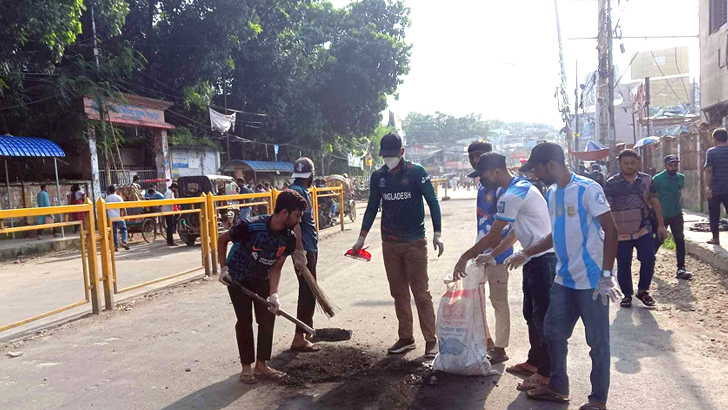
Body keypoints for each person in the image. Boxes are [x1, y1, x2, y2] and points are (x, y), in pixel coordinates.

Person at [510, 142, 620, 410]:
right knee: (552, 330)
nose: (535, 174)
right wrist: (526, 252)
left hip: (593, 280)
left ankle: (598, 400)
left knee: (597, 342)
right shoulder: (550, 193)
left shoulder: (587, 189)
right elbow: (554, 235)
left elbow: (611, 231)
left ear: (550, 164)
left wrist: (606, 275)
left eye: (537, 168)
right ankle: (558, 387)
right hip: (564, 278)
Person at [454, 152, 555, 392]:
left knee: (542, 318)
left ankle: (547, 373)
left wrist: (464, 257)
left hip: (544, 259)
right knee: (530, 314)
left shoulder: (511, 193)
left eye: (484, 175)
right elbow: (515, 231)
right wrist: (492, 253)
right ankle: (534, 362)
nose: (482, 180)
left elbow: (493, 234)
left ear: (496, 171)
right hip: (532, 257)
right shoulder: (518, 188)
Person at [351, 133, 444, 358]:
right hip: (389, 243)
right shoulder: (378, 176)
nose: (388, 159)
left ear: (402, 152)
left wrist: (437, 233)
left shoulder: (416, 172)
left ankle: (431, 340)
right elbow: (372, 207)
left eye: (392, 155)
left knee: (421, 293)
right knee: (398, 292)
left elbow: (432, 201)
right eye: (385, 156)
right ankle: (406, 337)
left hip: (414, 242)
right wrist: (361, 238)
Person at [217, 190, 305, 384]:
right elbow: (223, 240)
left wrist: (274, 294)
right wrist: (223, 268)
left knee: (267, 318)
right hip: (237, 277)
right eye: (297, 216)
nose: (299, 221)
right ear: (284, 213)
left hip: (261, 277)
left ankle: (262, 364)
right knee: (244, 320)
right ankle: (246, 367)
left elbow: (276, 268)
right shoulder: (251, 227)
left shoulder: (288, 239)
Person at [465, 141, 517, 364]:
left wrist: (491, 251)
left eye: (480, 155)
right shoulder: (481, 185)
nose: (475, 159)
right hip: (481, 250)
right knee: (476, 298)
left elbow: (502, 228)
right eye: (472, 156)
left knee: (498, 300)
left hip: (498, 253)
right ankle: (485, 340)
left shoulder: (501, 187)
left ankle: (500, 346)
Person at [604, 149, 669, 308]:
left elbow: (655, 202)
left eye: (632, 163)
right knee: (624, 263)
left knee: (648, 258)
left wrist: (661, 225)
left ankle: (643, 291)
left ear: (637, 163)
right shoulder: (611, 183)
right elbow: (606, 207)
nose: (629, 166)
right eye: (626, 163)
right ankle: (627, 295)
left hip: (643, 228)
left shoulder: (647, 180)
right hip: (621, 233)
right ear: (619, 164)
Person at [287, 157, 321, 352]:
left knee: (309, 291)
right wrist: (299, 250)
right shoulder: (297, 193)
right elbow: (296, 223)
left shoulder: (300, 191)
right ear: (311, 175)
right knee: (307, 292)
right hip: (305, 248)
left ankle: (306, 330)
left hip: (309, 247)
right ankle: (299, 336)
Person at [653, 155, 692, 280]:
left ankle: (681, 268)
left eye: (675, 165)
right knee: (659, 239)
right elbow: (652, 196)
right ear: (666, 166)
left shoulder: (681, 178)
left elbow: (679, 192)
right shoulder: (657, 179)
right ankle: (648, 261)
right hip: (662, 215)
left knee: (679, 240)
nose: (674, 168)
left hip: (676, 213)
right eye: (671, 165)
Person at [705, 128, 728, 245]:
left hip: (715, 189)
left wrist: (708, 187)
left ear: (714, 139)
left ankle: (715, 238)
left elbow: (709, 170)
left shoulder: (711, 152)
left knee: (714, 214)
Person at [105, 185, 129, 251]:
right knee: (123, 229)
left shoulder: (107, 198)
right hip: (119, 217)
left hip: (111, 218)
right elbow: (123, 207)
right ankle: (124, 241)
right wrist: (126, 215)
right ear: (115, 190)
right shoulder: (119, 197)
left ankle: (116, 246)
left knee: (114, 232)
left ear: (109, 191)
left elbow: (105, 209)